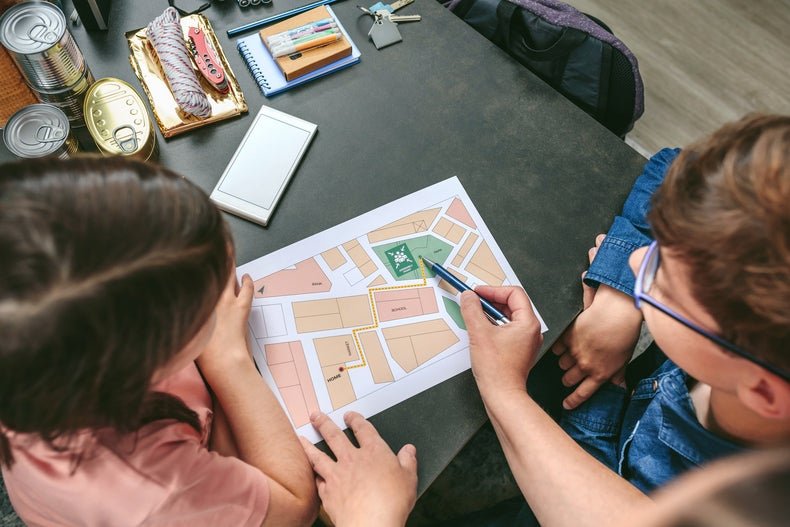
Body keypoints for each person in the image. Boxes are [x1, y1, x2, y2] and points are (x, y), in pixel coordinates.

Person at [301, 114, 790, 526]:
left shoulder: (717, 501)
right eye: (658, 246)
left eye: (664, 282)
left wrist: (503, 388)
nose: (641, 261)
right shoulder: (748, 350)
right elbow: (673, 167)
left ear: (764, 392)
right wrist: (622, 299)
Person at [0, 157, 318, 526]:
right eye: (204, 307)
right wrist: (228, 357)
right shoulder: (151, 491)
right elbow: (296, 507)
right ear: (145, 356)